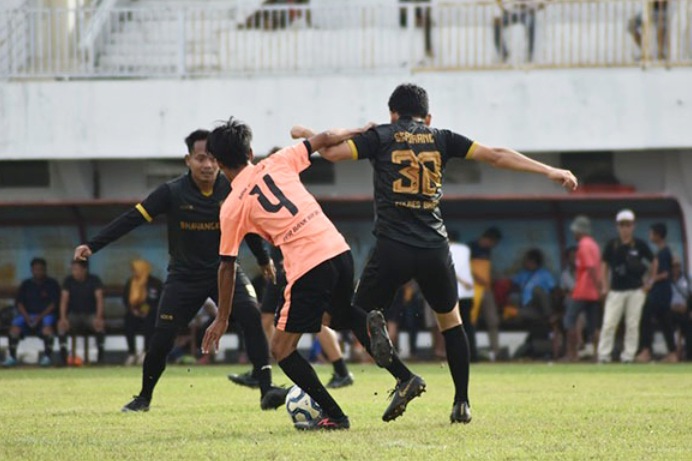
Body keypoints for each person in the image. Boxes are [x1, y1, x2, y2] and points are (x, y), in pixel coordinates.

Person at [297, 83, 578, 423]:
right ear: (427, 117)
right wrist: (549, 170)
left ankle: (403, 376)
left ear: (392, 114)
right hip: (434, 247)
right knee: (451, 323)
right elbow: (496, 155)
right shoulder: (442, 138)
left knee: (357, 312)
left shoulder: (381, 135)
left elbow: (331, 153)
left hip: (393, 247)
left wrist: (311, 134)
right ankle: (462, 402)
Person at [201, 117, 393, 430]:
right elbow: (327, 136)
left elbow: (226, 265)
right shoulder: (278, 160)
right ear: (250, 152)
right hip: (338, 248)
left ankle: (336, 414)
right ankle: (394, 371)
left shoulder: (231, 207)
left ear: (219, 163)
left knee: (281, 348)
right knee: (336, 316)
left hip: (305, 264)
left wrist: (222, 317)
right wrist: (359, 130)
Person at [73, 129, 284, 413]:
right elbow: (132, 218)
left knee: (251, 315)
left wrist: (263, 258)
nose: (207, 165)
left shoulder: (233, 188)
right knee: (162, 338)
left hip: (225, 271)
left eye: (212, 159)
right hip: (184, 277)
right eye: (200, 158)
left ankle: (267, 389)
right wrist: (92, 245)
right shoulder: (172, 192)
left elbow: (248, 227)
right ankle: (143, 397)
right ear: (188, 160)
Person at [231, 243, 355, 389]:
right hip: (288, 262)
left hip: (287, 263)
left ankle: (270, 369)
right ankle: (339, 370)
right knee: (273, 318)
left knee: (307, 317)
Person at [598, 209, 653, 363]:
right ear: (617, 227)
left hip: (636, 290)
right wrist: (605, 285)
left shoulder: (640, 244)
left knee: (632, 324)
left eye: (628, 225)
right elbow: (604, 265)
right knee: (609, 323)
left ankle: (628, 355)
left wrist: (650, 282)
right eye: (622, 225)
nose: (625, 228)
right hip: (616, 290)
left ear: (633, 226)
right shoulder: (612, 245)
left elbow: (654, 261)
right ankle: (604, 355)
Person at [3, 258, 60, 367]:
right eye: (35, 269)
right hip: (27, 316)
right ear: (32, 270)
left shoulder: (52, 284)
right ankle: (12, 357)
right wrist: (26, 317)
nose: (38, 272)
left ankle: (47, 357)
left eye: (40, 269)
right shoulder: (26, 284)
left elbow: (53, 304)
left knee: (48, 326)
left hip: (45, 316)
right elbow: (19, 303)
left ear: (45, 270)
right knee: (15, 327)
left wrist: (39, 317)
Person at [563, 216, 602, 362]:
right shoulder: (594, 245)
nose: (574, 233)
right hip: (593, 293)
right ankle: (597, 355)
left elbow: (590, 267)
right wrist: (599, 288)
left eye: (575, 231)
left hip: (582, 290)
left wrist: (597, 286)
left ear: (580, 231)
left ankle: (572, 354)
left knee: (569, 320)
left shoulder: (584, 245)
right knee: (594, 324)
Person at [636, 223, 676, 363]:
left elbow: (664, 273)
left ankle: (646, 350)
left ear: (658, 235)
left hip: (660, 292)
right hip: (662, 292)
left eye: (651, 233)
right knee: (665, 322)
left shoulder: (663, 253)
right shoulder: (662, 251)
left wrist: (649, 283)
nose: (650, 236)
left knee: (646, 318)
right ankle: (672, 352)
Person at [58, 260, 105, 364]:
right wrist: (63, 318)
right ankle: (63, 356)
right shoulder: (68, 281)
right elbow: (64, 300)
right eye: (72, 269)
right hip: (74, 315)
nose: (74, 272)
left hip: (90, 315)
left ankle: (100, 356)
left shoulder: (94, 280)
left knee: (99, 325)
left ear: (84, 269)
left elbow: (99, 299)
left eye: (76, 269)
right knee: (62, 326)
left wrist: (98, 317)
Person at [469, 227, 503, 361]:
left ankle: (495, 351)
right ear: (488, 239)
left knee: (493, 320)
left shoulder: (488, 251)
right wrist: (477, 278)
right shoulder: (471, 247)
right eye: (493, 243)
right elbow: (465, 267)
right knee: (471, 320)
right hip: (472, 289)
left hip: (486, 289)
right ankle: (471, 351)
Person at [123, 259, 162, 366]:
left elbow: (156, 301)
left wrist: (144, 310)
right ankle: (132, 353)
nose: (134, 272)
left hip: (150, 313)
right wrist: (134, 310)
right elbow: (126, 299)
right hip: (134, 313)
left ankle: (146, 352)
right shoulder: (131, 282)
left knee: (150, 321)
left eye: (136, 270)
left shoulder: (155, 283)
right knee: (128, 320)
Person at [448, 233, 477, 362]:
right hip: (467, 294)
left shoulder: (446, 249)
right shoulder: (465, 249)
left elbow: (451, 268)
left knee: (454, 327)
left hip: (454, 293)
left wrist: (461, 281)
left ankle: (459, 356)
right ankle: (473, 354)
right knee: (468, 325)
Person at [510, 248, 555, 328]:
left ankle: (549, 316)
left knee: (537, 290)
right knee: (513, 308)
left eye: (527, 261)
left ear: (534, 262)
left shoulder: (545, 274)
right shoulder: (522, 273)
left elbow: (553, 289)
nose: (525, 263)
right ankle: (523, 319)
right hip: (528, 306)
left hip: (541, 305)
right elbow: (514, 285)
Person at [670, 257, 691, 361]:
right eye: (673, 266)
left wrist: (688, 307)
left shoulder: (687, 279)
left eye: (677, 266)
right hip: (670, 310)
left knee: (689, 326)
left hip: (684, 310)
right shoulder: (666, 280)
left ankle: (689, 355)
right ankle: (672, 353)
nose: (675, 268)